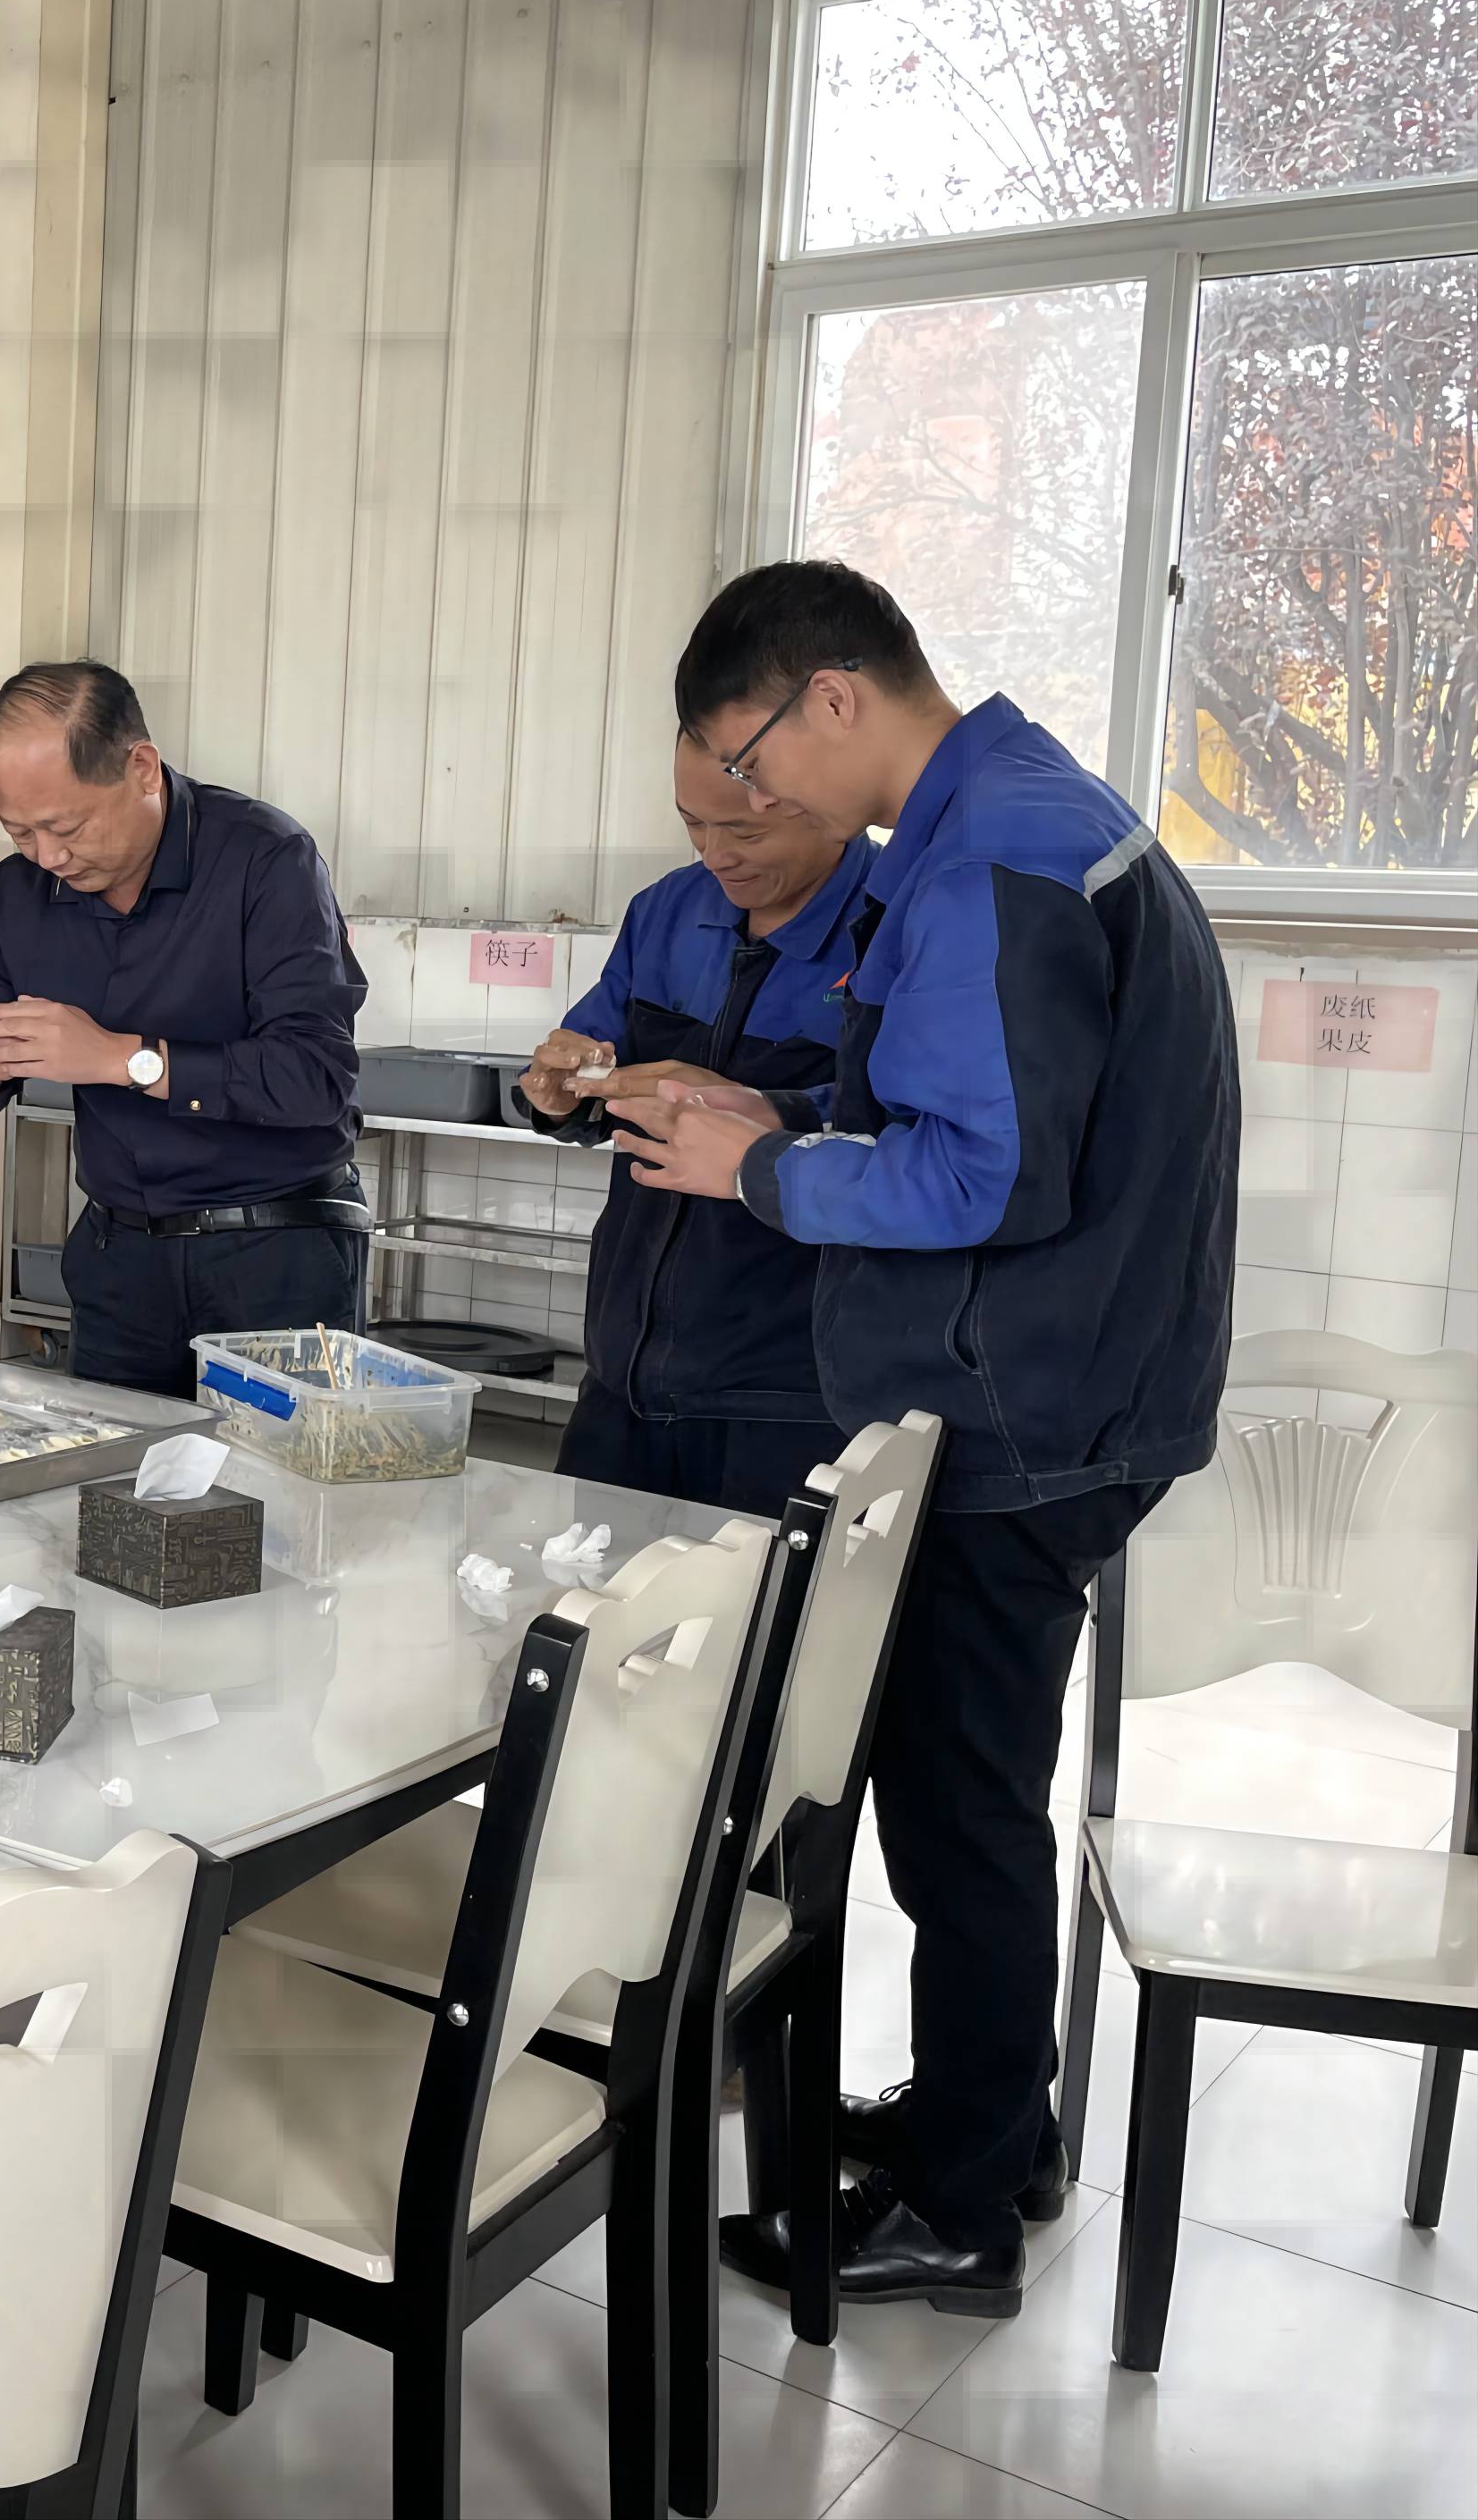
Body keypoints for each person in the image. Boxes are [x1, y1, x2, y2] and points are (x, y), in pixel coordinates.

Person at [609, 561, 1234, 2316]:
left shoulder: (982, 864)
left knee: (955, 1810)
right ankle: (993, 2123)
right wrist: (787, 1108)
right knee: (968, 1792)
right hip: (1068, 1388)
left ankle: (962, 2208)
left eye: (750, 759)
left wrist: (757, 1165)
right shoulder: (1026, 816)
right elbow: (984, 1100)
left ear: (829, 696)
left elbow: (983, 1175)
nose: (752, 800)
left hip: (1015, 1412)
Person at [0, 662, 368, 1395]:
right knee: (113, 1465)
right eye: (19, 831)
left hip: (274, 1252)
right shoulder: (22, 890)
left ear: (140, 767)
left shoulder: (265, 860)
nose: (48, 856)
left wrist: (123, 1059)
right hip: (120, 1260)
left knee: (271, 1469)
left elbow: (315, 1077)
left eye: (66, 827)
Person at [512, 733, 872, 1518]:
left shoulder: (893, 925)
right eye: (693, 824)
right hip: (624, 1378)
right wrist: (562, 1093)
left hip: (793, 1399)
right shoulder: (666, 911)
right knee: (588, 1589)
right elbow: (595, 1064)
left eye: (743, 830)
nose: (715, 855)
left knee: (759, 1600)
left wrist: (766, 1110)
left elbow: (915, 1130)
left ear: (830, 806)